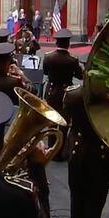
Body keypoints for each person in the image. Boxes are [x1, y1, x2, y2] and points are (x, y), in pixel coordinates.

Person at [64, 84, 109, 218]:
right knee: (95, 199)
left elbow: (67, 114)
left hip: (77, 151)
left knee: (77, 197)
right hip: (101, 155)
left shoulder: (72, 94)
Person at [43, 28, 83, 161]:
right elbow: (80, 76)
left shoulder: (48, 56)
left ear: (56, 43)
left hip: (51, 91)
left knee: (51, 120)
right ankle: (60, 151)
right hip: (66, 93)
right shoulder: (73, 60)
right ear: (68, 43)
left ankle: (51, 148)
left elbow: (45, 73)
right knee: (65, 121)